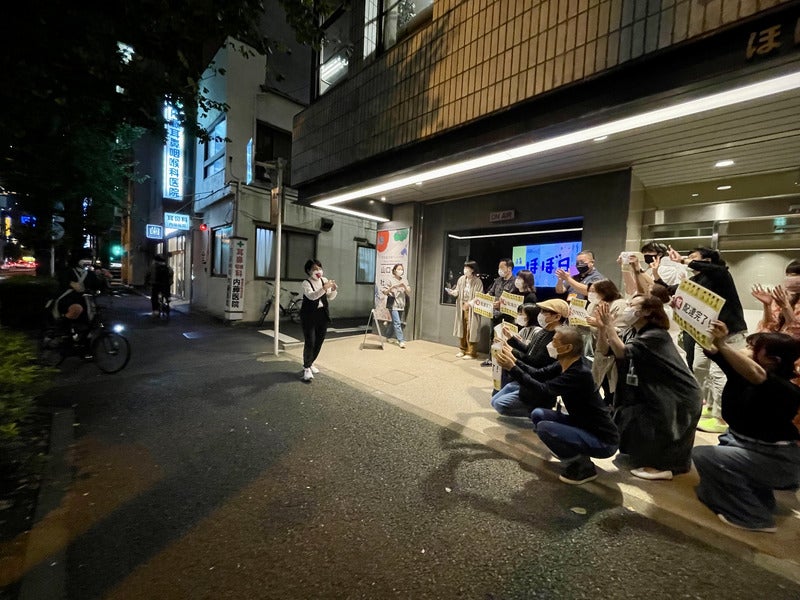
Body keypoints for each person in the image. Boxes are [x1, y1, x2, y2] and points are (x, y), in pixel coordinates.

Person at [693, 322, 800, 532]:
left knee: (705, 456)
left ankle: (753, 518)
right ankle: (760, 502)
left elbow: (757, 375)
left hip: (779, 460)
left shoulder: (786, 389)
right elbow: (713, 351)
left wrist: (723, 344)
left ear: (773, 361)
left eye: (752, 348)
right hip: (750, 447)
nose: (744, 349)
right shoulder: (742, 373)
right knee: (711, 478)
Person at [595, 295, 702, 480]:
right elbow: (605, 350)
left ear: (646, 311)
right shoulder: (632, 332)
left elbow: (622, 352)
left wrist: (609, 326)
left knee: (667, 430)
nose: (627, 308)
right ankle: (648, 458)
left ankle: (665, 468)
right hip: (656, 391)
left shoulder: (656, 335)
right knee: (634, 421)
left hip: (678, 393)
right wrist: (602, 328)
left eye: (632, 305)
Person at [496, 325, 619, 485]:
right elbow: (538, 374)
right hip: (580, 423)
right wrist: (514, 361)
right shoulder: (563, 363)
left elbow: (544, 390)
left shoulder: (579, 372)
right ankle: (572, 451)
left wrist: (512, 368)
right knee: (538, 414)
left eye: (554, 341)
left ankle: (583, 466)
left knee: (544, 428)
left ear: (567, 348)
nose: (550, 345)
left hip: (603, 440)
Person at [667, 246, 748, 434]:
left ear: (708, 261)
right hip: (705, 335)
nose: (690, 261)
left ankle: (722, 418)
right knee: (699, 368)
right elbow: (671, 290)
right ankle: (709, 407)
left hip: (729, 333)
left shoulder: (721, 275)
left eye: (694, 258)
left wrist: (682, 260)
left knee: (719, 374)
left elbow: (717, 269)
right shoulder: (696, 281)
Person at [490, 299, 569, 416]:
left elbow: (536, 363)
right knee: (494, 401)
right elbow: (530, 350)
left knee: (500, 405)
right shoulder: (543, 331)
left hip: (538, 383)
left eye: (544, 312)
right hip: (528, 377)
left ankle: (538, 409)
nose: (540, 314)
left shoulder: (557, 339)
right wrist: (511, 340)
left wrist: (513, 355)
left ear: (557, 317)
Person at [300, 259, 338, 382]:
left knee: (319, 341)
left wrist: (333, 289)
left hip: (322, 314)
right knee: (310, 341)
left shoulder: (324, 280)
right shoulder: (306, 283)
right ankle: (306, 368)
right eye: (314, 269)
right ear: (308, 271)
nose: (318, 271)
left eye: (320, 268)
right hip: (309, 315)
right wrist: (324, 288)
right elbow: (312, 296)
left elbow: (330, 297)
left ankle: (310, 363)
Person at [481, 259, 518, 366]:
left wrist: (502, 305)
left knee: (506, 338)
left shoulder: (515, 282)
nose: (499, 270)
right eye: (499, 268)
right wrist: (484, 298)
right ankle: (492, 358)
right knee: (493, 337)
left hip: (508, 316)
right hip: (495, 314)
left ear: (509, 269)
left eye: (502, 267)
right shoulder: (497, 280)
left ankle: (505, 360)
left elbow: (513, 300)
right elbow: (491, 292)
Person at [752, 259, 800, 340]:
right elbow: (770, 327)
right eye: (787, 275)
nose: (789, 278)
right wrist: (767, 305)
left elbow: (796, 334)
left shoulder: (784, 301)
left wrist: (786, 307)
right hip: (777, 344)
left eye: (794, 275)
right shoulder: (782, 297)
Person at [445, 260, 482, 360]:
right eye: (465, 268)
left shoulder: (477, 281)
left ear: (472, 270)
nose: (465, 270)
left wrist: (469, 304)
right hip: (461, 306)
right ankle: (462, 349)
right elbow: (458, 290)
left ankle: (471, 352)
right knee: (462, 328)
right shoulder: (461, 279)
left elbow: (479, 296)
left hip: (471, 308)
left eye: (467, 268)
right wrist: (453, 292)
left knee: (471, 329)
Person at [382, 263, 411, 348]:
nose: (400, 271)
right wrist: (392, 287)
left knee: (394, 322)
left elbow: (409, 291)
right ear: (394, 270)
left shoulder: (404, 280)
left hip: (401, 304)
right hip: (393, 304)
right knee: (397, 323)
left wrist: (404, 286)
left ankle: (387, 336)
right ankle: (401, 340)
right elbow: (384, 292)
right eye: (398, 269)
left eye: (401, 269)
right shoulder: (390, 280)